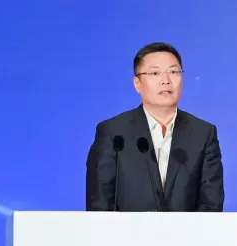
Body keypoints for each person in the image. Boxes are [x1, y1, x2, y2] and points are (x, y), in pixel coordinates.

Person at [85, 42, 225, 212]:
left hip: (186, 230)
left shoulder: (203, 133)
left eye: (173, 72)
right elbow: (99, 206)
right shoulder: (113, 133)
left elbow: (211, 205)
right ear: (137, 83)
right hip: (127, 230)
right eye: (155, 73)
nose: (166, 81)